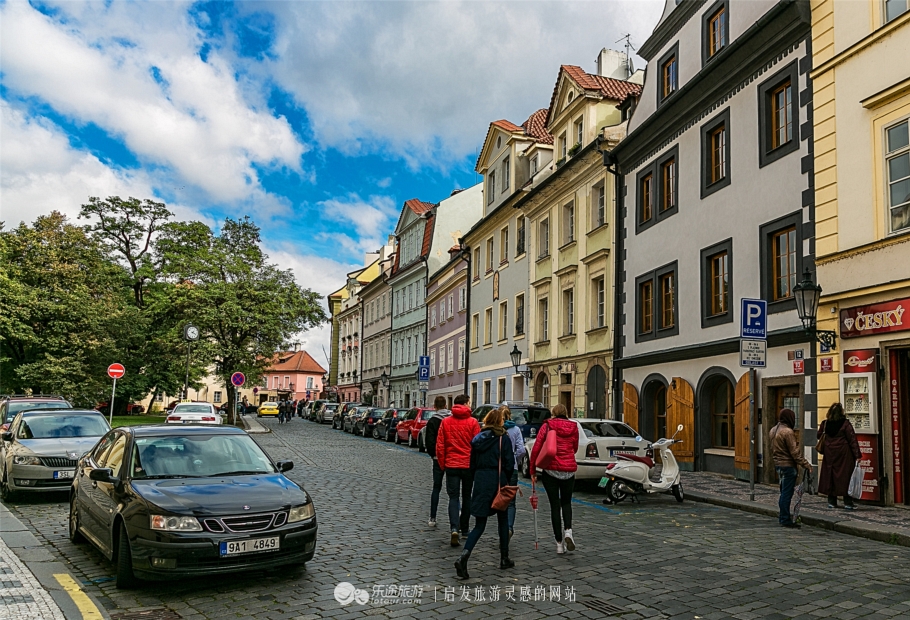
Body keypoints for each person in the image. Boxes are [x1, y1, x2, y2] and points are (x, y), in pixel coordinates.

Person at [454, 407, 515, 579]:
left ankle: (464, 556)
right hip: (498, 480)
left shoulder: (477, 440)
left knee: (479, 525)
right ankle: (504, 557)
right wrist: (506, 480)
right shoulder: (504, 438)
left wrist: (477, 479)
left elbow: (471, 465)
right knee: (503, 521)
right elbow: (509, 463)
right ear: (500, 422)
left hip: (481, 481)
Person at [529, 404, 578, 554]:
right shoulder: (574, 427)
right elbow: (574, 448)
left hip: (551, 471)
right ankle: (568, 531)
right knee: (566, 502)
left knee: (554, 506)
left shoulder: (548, 425)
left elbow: (537, 447)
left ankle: (559, 544)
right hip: (568, 471)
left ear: (554, 413)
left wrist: (532, 471)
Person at [437, 394, 480, 547]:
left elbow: (440, 446)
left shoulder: (446, 422)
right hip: (468, 465)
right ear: (465, 404)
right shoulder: (473, 422)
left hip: (452, 465)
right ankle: (466, 529)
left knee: (453, 498)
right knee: (467, 497)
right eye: (469, 402)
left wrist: (443, 465)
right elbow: (477, 446)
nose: (470, 405)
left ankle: (454, 528)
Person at [770, 408, 812, 528]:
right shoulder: (787, 432)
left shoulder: (773, 430)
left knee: (783, 493)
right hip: (788, 466)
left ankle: (782, 516)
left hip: (778, 465)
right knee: (786, 494)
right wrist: (806, 464)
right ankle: (785, 518)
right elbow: (795, 453)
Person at [817, 402, 862, 509]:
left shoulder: (825, 424)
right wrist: (857, 454)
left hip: (829, 453)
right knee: (845, 477)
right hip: (844, 453)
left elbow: (819, 435)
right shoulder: (845, 424)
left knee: (830, 476)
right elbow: (852, 439)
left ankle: (832, 501)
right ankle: (847, 502)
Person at [425, 395, 452, 527]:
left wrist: (433, 455)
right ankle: (456, 512)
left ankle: (433, 517)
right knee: (453, 489)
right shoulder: (452, 419)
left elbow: (429, 442)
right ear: (446, 405)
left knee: (437, 487)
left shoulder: (432, 421)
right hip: (452, 457)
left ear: (434, 407)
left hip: (437, 458)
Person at [502, 406, 526, 538]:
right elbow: (522, 450)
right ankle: (509, 527)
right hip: (513, 468)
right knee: (511, 502)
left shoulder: (498, 429)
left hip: (499, 468)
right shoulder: (516, 429)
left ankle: (502, 528)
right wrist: (514, 458)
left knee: (499, 499)